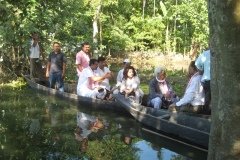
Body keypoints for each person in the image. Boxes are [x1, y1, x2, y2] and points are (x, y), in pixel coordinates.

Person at [195, 49, 211, 113]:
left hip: (207, 79)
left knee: (207, 98)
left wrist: (202, 71)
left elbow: (197, 63)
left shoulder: (206, 53)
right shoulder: (221, 51)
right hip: (212, 80)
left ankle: (206, 113)